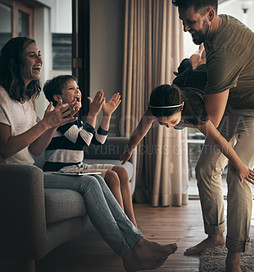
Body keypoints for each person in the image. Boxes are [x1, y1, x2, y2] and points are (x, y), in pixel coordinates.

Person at [0, 37, 176, 271]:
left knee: (95, 179)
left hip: (31, 171)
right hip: (17, 178)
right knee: (91, 183)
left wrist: (52, 123)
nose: (40, 59)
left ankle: (137, 244)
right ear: (14, 60)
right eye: (32, 55)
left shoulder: (27, 99)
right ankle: (130, 251)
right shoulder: (2, 97)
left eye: (39, 53)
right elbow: (6, 149)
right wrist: (48, 124)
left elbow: (35, 150)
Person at [172, 0, 254, 271]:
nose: (185, 28)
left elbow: (210, 121)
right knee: (205, 168)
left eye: (190, 22)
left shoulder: (225, 49)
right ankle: (215, 235)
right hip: (235, 103)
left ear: (209, 14)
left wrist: (177, 119)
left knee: (239, 174)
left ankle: (234, 255)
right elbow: (208, 75)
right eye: (183, 21)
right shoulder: (216, 28)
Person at [120, 66, 254, 186]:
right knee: (186, 66)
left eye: (172, 122)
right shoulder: (155, 108)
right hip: (183, 81)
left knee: (197, 65)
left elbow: (218, 139)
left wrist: (240, 166)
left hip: (199, 81)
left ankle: (201, 54)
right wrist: (129, 149)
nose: (168, 127)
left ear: (182, 107)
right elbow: (140, 131)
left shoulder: (196, 113)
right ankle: (197, 57)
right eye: (162, 123)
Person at [42, 75, 137, 227]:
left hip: (76, 167)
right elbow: (83, 140)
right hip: (60, 170)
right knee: (112, 177)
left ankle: (132, 224)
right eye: (71, 88)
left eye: (77, 88)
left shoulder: (74, 118)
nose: (77, 91)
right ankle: (123, 226)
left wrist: (106, 115)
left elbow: (98, 141)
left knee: (122, 172)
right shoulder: (58, 117)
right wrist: (92, 114)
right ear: (57, 97)